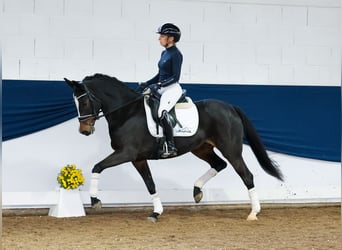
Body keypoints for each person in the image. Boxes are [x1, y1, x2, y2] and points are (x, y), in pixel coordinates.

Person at [140, 23, 183, 158]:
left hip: (172, 89)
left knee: (161, 111)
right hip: (162, 87)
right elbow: (160, 74)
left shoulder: (176, 54)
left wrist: (158, 85)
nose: (160, 39)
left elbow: (175, 77)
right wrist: (147, 83)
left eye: (162, 36)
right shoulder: (164, 53)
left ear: (171, 38)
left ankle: (171, 146)